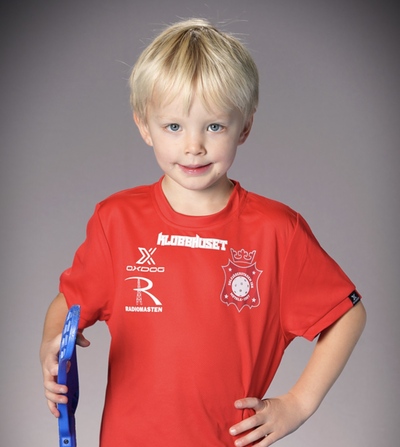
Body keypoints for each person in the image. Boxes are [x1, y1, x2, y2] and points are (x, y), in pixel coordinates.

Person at [40, 18, 366, 447]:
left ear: (244, 127)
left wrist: (298, 404)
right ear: (145, 126)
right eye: (174, 126)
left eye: (214, 126)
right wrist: (50, 346)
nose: (193, 146)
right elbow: (69, 303)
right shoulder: (115, 220)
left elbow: (347, 314)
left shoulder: (277, 232)